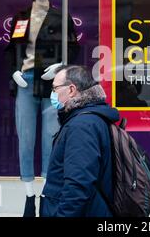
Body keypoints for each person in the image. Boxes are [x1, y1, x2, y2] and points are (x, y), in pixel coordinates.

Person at [40, 65, 119, 217]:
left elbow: (78, 185)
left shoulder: (81, 126)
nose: (52, 94)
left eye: (54, 88)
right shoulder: (87, 119)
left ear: (71, 90)